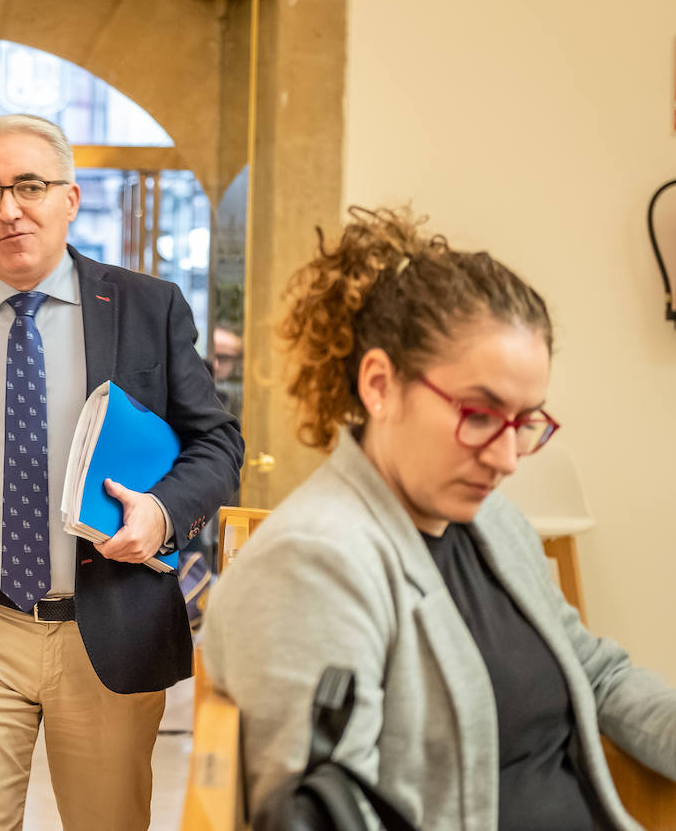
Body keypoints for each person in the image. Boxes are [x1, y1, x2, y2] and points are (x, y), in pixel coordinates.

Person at [201, 208, 676, 830]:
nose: (508, 459)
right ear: (380, 384)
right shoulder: (314, 564)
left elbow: (598, 673)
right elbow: (332, 815)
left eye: (525, 422)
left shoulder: (492, 522)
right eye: (479, 413)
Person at [0, 114, 245, 830]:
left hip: (106, 625)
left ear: (70, 199)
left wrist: (162, 513)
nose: (9, 207)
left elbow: (218, 444)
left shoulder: (148, 308)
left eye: (29, 185)